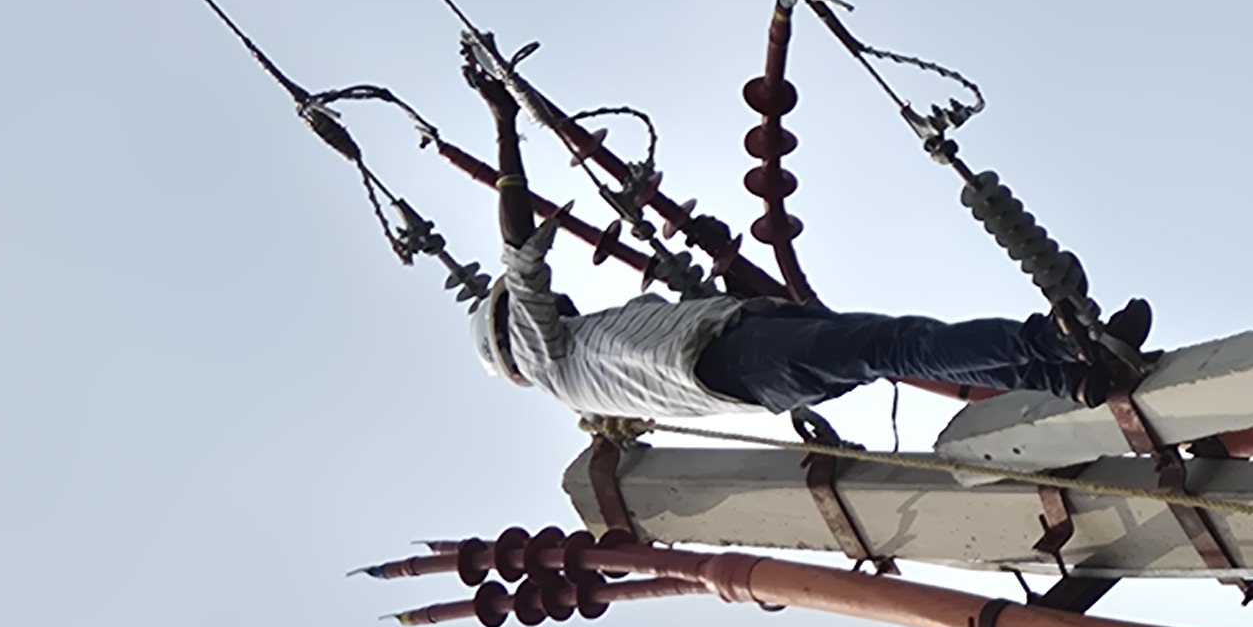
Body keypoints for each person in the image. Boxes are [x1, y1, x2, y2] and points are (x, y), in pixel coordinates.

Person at [462, 71, 1091, 420]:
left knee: (900, 347)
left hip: (754, 364)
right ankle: (1049, 345)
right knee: (900, 343)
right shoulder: (548, 357)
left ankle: (1062, 376)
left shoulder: (585, 361)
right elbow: (521, 254)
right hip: (745, 360)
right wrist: (506, 125)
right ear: (508, 335)